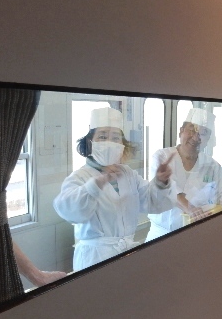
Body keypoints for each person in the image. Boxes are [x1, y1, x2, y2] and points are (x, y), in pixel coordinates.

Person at [53, 107, 175, 271]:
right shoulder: (80, 177)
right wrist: (94, 187)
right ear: (90, 142)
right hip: (95, 259)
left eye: (116, 138)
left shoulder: (127, 174)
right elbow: (68, 210)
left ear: (122, 145)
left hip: (127, 253)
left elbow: (150, 201)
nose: (110, 143)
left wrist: (160, 182)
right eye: (102, 137)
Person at [145, 108, 222, 241]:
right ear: (181, 131)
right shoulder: (162, 157)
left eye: (203, 133)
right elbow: (167, 190)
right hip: (162, 235)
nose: (196, 137)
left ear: (207, 139)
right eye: (191, 130)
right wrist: (190, 209)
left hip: (198, 233)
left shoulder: (212, 165)